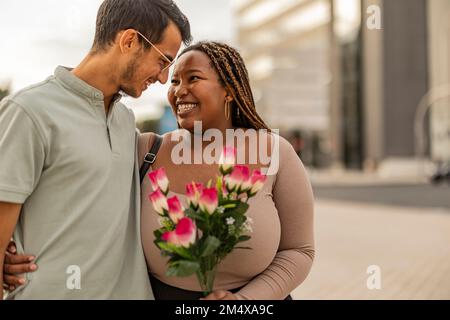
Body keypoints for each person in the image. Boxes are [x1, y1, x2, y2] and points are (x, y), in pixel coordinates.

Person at [4, 42, 315, 300]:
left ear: (229, 91)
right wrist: (10, 247)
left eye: (193, 78)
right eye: (175, 81)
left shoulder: (275, 152)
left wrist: (245, 302)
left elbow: (299, 250)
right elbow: (67, 183)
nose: (178, 90)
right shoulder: (144, 150)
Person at [0, 0, 191, 299]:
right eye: (163, 61)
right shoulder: (28, 112)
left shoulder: (126, 122)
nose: (163, 77)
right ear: (129, 41)